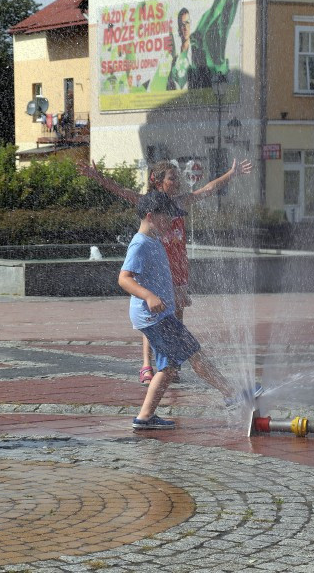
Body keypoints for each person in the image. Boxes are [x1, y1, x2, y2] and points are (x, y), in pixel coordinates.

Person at [79, 157, 252, 384]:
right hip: (155, 269)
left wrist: (231, 174)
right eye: (172, 178)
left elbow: (208, 189)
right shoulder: (148, 203)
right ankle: (147, 365)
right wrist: (99, 177)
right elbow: (121, 191)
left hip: (178, 268)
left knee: (175, 317)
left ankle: (171, 364)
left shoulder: (180, 203)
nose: (177, 182)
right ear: (158, 181)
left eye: (177, 178)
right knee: (154, 318)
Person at [120, 191, 247, 430]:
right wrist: (148, 296)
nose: (172, 221)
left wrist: (176, 294)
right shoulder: (140, 244)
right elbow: (124, 279)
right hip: (154, 317)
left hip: (160, 316)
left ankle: (145, 417)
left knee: (170, 367)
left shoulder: (154, 240)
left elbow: (157, 276)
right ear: (150, 216)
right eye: (167, 216)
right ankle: (231, 394)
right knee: (193, 354)